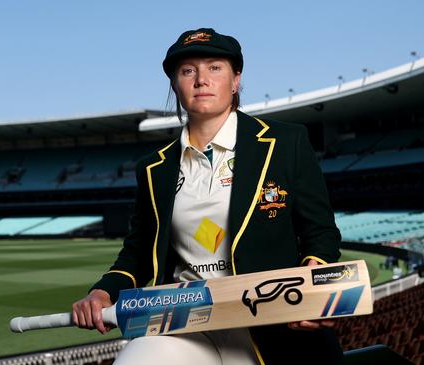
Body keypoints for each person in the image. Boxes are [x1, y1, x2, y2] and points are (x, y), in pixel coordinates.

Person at [72, 28, 343, 365]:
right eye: (188, 71)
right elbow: (138, 253)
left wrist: (312, 293)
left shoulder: (286, 143)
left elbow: (320, 234)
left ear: (236, 80)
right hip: (184, 321)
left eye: (214, 67)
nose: (201, 79)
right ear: (175, 85)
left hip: (269, 325)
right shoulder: (153, 169)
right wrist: (102, 291)